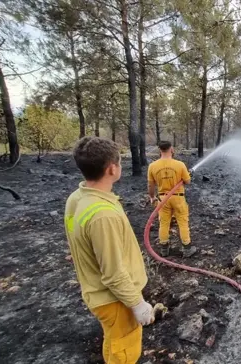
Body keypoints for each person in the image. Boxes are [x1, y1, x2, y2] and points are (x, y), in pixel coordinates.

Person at [64, 136, 153, 364]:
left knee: (114, 342)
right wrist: (137, 304)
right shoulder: (103, 216)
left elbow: (80, 240)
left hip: (96, 290)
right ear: (112, 169)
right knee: (125, 351)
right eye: (120, 163)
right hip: (114, 300)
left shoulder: (78, 197)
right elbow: (113, 274)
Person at [147, 140, 196, 258]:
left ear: (160, 150)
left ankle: (164, 249)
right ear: (172, 149)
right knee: (183, 223)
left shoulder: (152, 166)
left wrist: (152, 197)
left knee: (164, 223)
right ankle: (187, 249)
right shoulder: (180, 165)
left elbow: (150, 185)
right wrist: (189, 175)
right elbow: (187, 181)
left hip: (162, 199)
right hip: (178, 198)